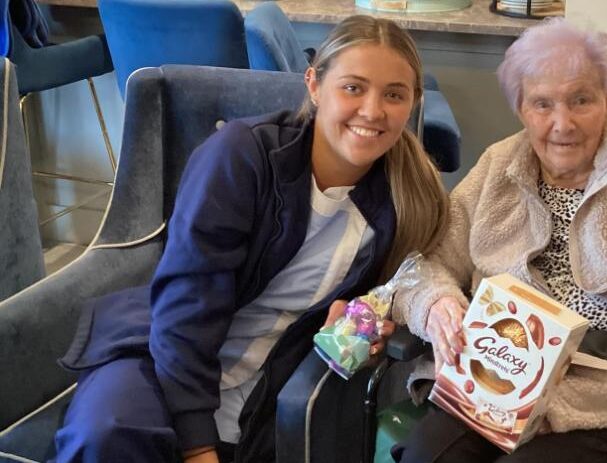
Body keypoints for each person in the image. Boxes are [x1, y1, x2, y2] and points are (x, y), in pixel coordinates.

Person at [53, 15, 448, 463]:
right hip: (164, 356)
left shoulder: (405, 201)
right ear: (315, 86)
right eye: (353, 87)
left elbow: (412, 283)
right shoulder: (243, 157)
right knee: (107, 436)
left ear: (413, 102)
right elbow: (188, 306)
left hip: (268, 381)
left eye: (393, 94)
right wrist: (197, 446)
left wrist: (371, 316)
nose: (373, 111)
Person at [392, 18, 607, 463]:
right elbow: (430, 263)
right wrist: (436, 303)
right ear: (520, 108)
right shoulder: (499, 167)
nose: (562, 123)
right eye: (542, 104)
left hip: (606, 394)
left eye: (581, 100)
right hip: (501, 378)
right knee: (424, 457)